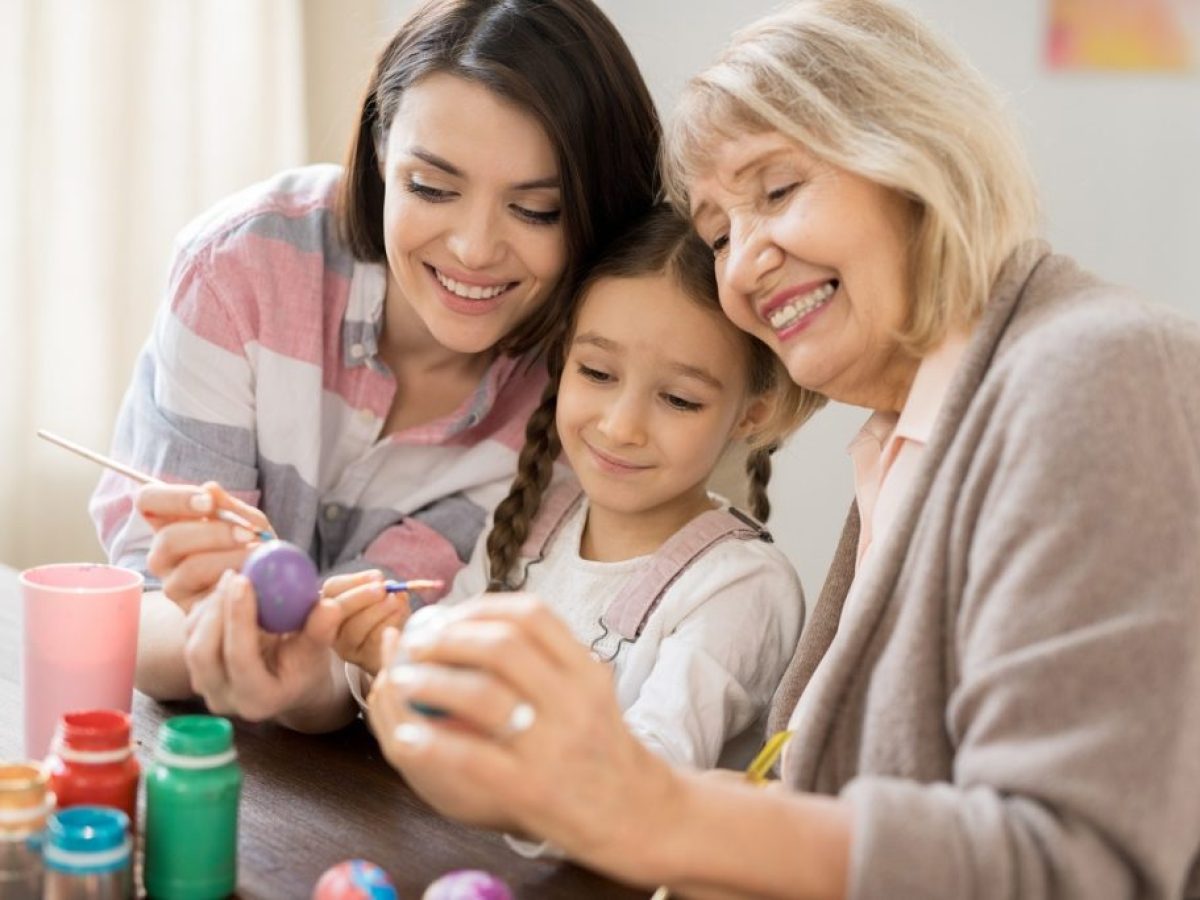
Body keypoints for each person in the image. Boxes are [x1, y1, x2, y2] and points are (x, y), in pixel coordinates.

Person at [365, 1, 1200, 896]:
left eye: (777, 190)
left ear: (913, 152)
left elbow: (1071, 864)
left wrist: (643, 806)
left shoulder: (1098, 368)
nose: (744, 263)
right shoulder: (901, 449)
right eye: (720, 234)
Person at [88, 0, 660, 732]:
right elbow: (137, 605)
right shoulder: (244, 264)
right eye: (432, 188)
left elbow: (372, 657)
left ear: (595, 212)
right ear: (383, 150)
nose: (475, 249)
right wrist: (229, 641)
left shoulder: (587, 402)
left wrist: (305, 680)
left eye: (537, 210)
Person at [339, 206, 820, 773]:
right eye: (597, 372)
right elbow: (440, 675)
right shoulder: (536, 513)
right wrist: (388, 651)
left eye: (679, 399)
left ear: (750, 415)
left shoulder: (741, 589)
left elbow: (651, 782)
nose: (621, 427)